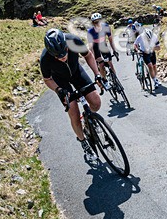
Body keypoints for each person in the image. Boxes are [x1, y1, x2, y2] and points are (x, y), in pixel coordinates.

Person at [39, 29, 103, 158]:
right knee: (74, 113)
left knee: (96, 103)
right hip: (61, 82)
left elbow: (88, 55)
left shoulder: (73, 40)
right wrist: (58, 90)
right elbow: (47, 79)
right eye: (57, 56)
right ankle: (82, 140)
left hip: (76, 72)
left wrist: (97, 74)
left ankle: (87, 117)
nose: (62, 58)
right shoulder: (45, 58)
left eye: (64, 53)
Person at [87, 13, 117, 81]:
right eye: (95, 22)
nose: (97, 23)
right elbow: (91, 47)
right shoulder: (90, 31)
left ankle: (115, 80)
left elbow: (111, 40)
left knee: (110, 63)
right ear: (92, 23)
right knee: (101, 64)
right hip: (95, 46)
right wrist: (94, 59)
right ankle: (104, 79)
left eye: (98, 21)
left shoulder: (106, 27)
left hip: (103, 44)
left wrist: (114, 50)